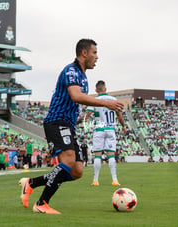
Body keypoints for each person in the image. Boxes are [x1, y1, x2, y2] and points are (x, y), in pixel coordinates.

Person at [18, 39, 124, 214]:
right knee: (67, 162)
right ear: (84, 53)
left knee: (77, 171)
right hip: (56, 121)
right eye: (94, 53)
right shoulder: (71, 71)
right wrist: (105, 104)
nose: (97, 57)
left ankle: (31, 183)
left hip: (68, 125)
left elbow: (76, 101)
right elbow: (75, 96)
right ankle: (41, 203)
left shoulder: (83, 76)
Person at [83, 80, 126, 186]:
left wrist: (83, 122)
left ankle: (95, 180)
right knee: (111, 155)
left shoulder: (94, 100)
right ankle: (115, 180)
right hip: (111, 130)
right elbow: (119, 116)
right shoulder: (114, 100)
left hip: (99, 130)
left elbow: (87, 114)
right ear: (105, 89)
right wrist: (123, 126)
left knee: (97, 156)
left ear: (96, 90)